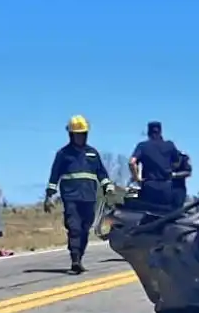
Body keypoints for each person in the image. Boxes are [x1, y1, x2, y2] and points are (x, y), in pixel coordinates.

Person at [44, 115, 114, 274]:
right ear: (71, 135)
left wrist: (108, 188)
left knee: (84, 228)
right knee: (74, 227)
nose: (80, 137)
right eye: (77, 134)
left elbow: (101, 173)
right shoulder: (63, 154)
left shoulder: (92, 153)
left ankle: (80, 257)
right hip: (71, 196)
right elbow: (54, 175)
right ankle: (75, 259)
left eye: (83, 134)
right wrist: (49, 196)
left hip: (89, 197)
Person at [129, 121, 181, 207]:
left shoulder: (142, 146)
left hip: (149, 185)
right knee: (165, 216)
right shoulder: (170, 145)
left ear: (148, 133)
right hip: (166, 186)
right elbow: (177, 163)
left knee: (148, 215)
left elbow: (132, 162)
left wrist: (137, 179)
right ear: (160, 132)